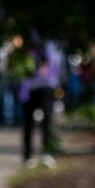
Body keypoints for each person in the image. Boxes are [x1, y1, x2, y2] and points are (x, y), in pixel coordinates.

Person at [20, 38, 64, 168]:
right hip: (29, 86)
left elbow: (59, 65)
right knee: (28, 122)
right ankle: (28, 155)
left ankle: (47, 153)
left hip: (48, 86)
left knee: (47, 121)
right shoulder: (28, 37)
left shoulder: (54, 42)